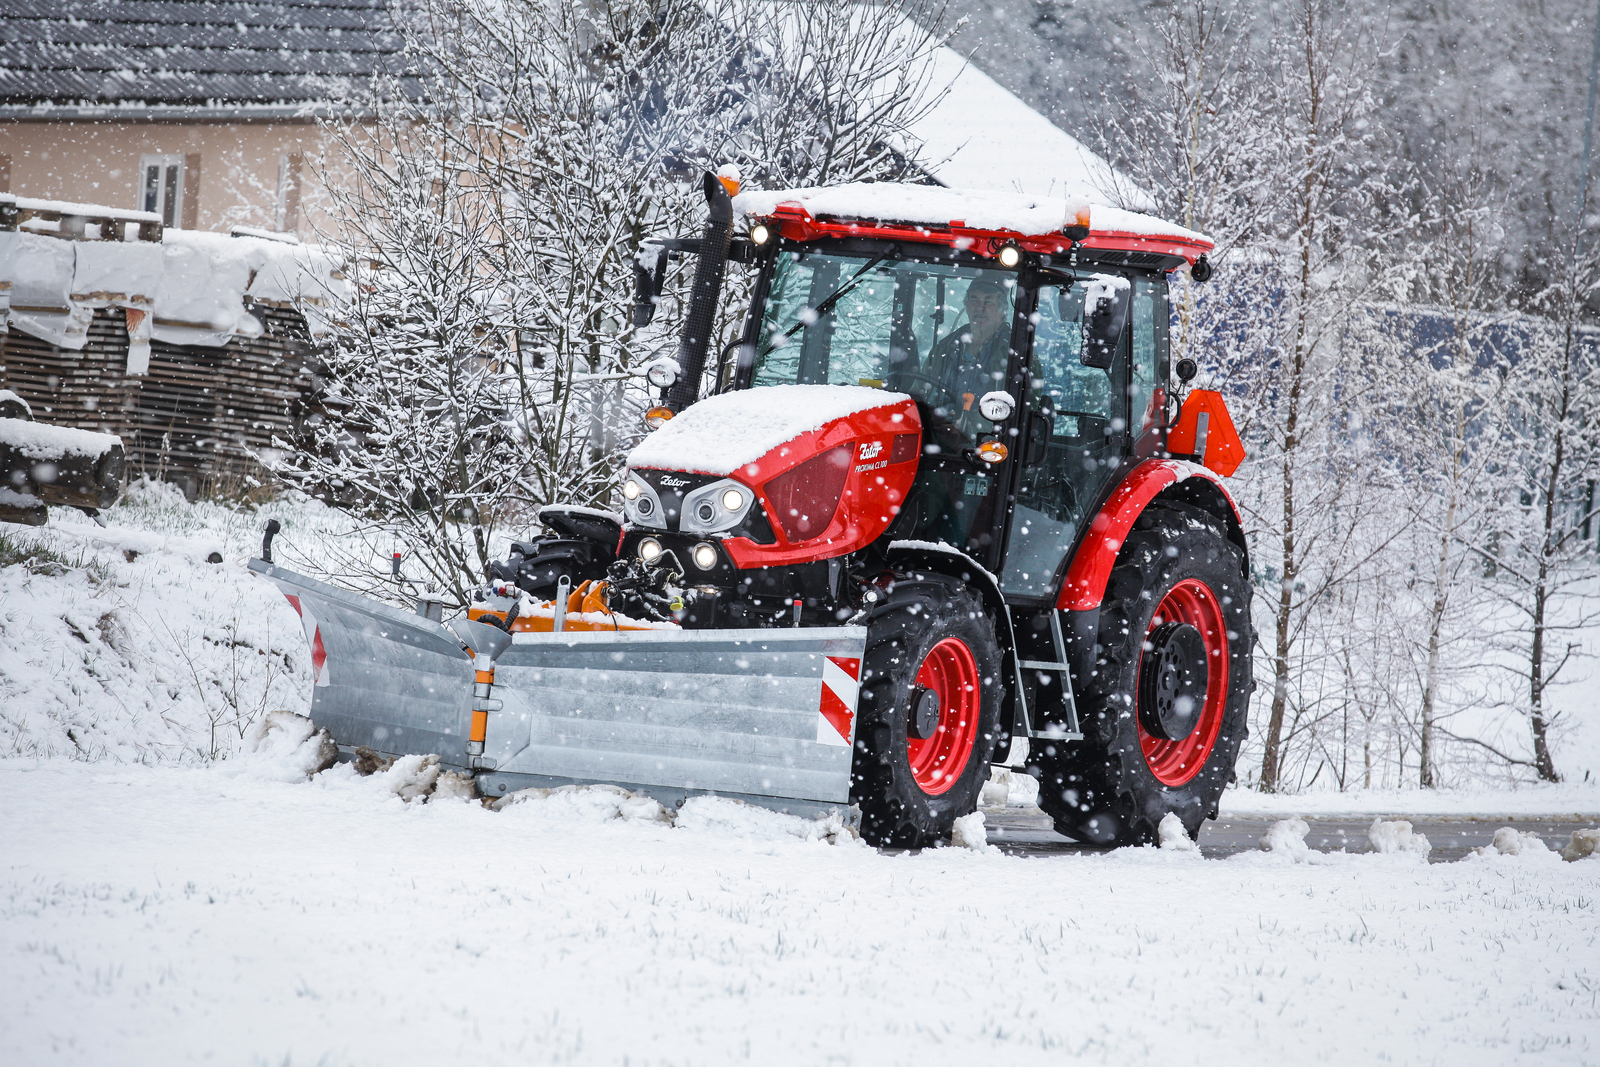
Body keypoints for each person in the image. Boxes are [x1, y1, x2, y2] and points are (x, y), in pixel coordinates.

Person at [921, 278, 1013, 420]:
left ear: (1003, 310)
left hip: (988, 438)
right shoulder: (944, 348)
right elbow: (919, 391)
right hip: (936, 432)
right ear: (967, 305)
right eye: (974, 300)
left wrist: (971, 423)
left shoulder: (1015, 354)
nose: (980, 308)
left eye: (988, 302)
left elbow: (1020, 414)